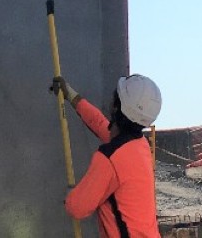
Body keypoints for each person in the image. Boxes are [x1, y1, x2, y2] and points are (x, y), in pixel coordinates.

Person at [51, 74, 162, 238]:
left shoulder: (110, 159)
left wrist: (70, 195)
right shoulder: (139, 145)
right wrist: (71, 95)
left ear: (116, 107)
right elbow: (100, 124)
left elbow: (77, 207)